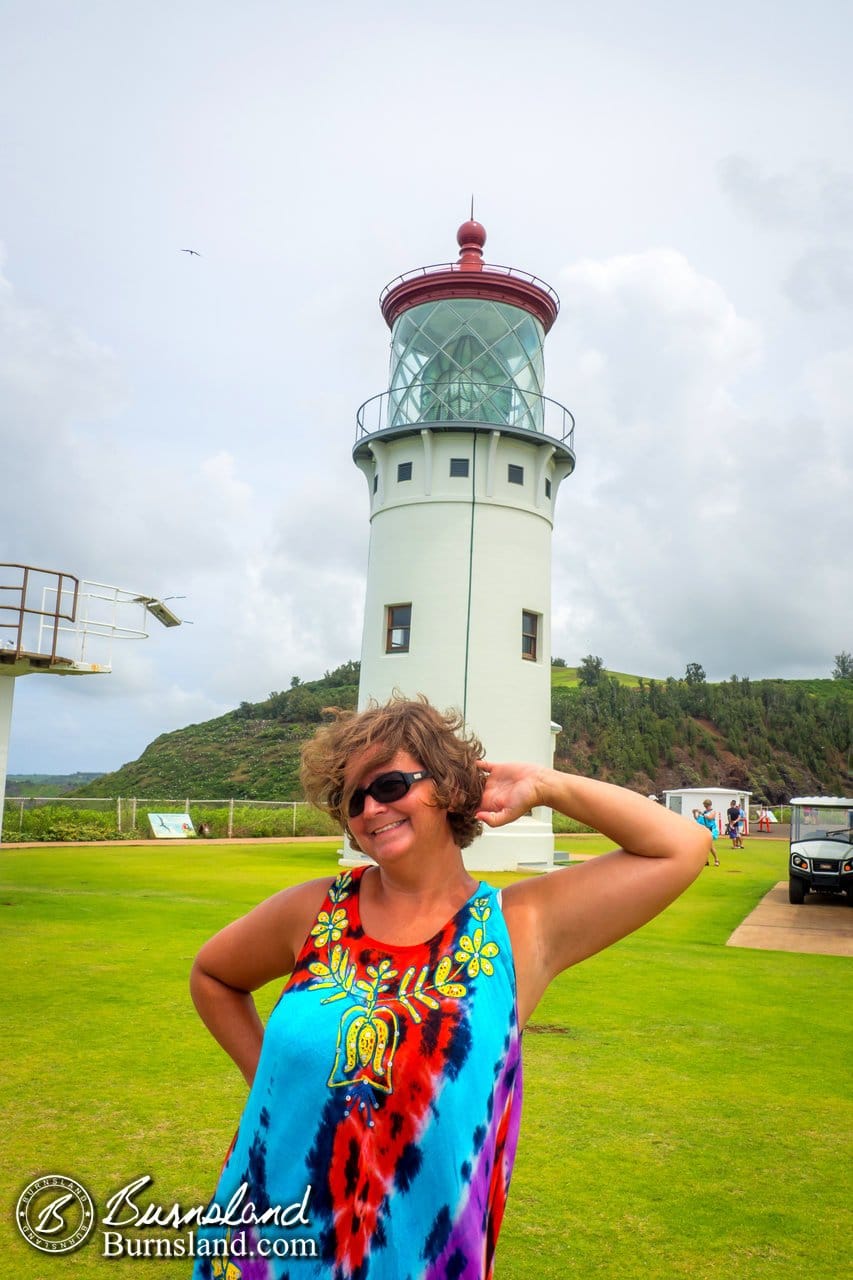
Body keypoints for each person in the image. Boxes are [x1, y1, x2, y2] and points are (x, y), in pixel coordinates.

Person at [189, 697, 709, 1279]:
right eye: (350, 798)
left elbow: (682, 846)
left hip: (416, 1256)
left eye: (387, 785)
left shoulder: (514, 929)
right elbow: (213, 975)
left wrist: (543, 783)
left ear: (448, 786)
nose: (368, 809)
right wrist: (267, 1080)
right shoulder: (316, 910)